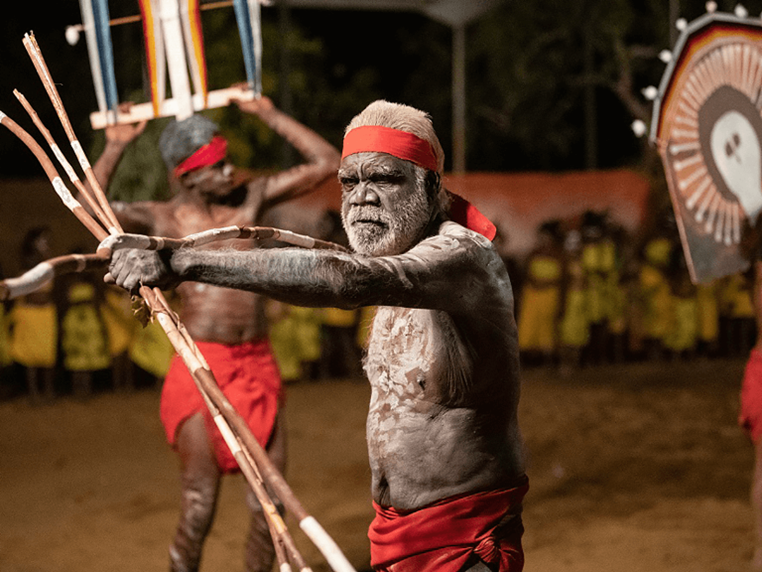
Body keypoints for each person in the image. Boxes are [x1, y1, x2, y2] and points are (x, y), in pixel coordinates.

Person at [106, 99, 528, 572]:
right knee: (199, 501)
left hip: (463, 542)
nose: (363, 197)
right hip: (392, 537)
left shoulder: (459, 256)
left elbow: (345, 280)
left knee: (263, 504)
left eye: (384, 179)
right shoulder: (397, 258)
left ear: (430, 187)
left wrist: (180, 261)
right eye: (351, 182)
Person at [91, 95, 340, 572]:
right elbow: (86, 204)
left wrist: (270, 114)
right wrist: (116, 145)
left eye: (226, 161)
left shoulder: (252, 198)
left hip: (258, 366)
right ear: (187, 177)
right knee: (199, 505)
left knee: (270, 507)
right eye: (215, 166)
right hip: (201, 367)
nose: (230, 172)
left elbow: (326, 162)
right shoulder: (163, 218)